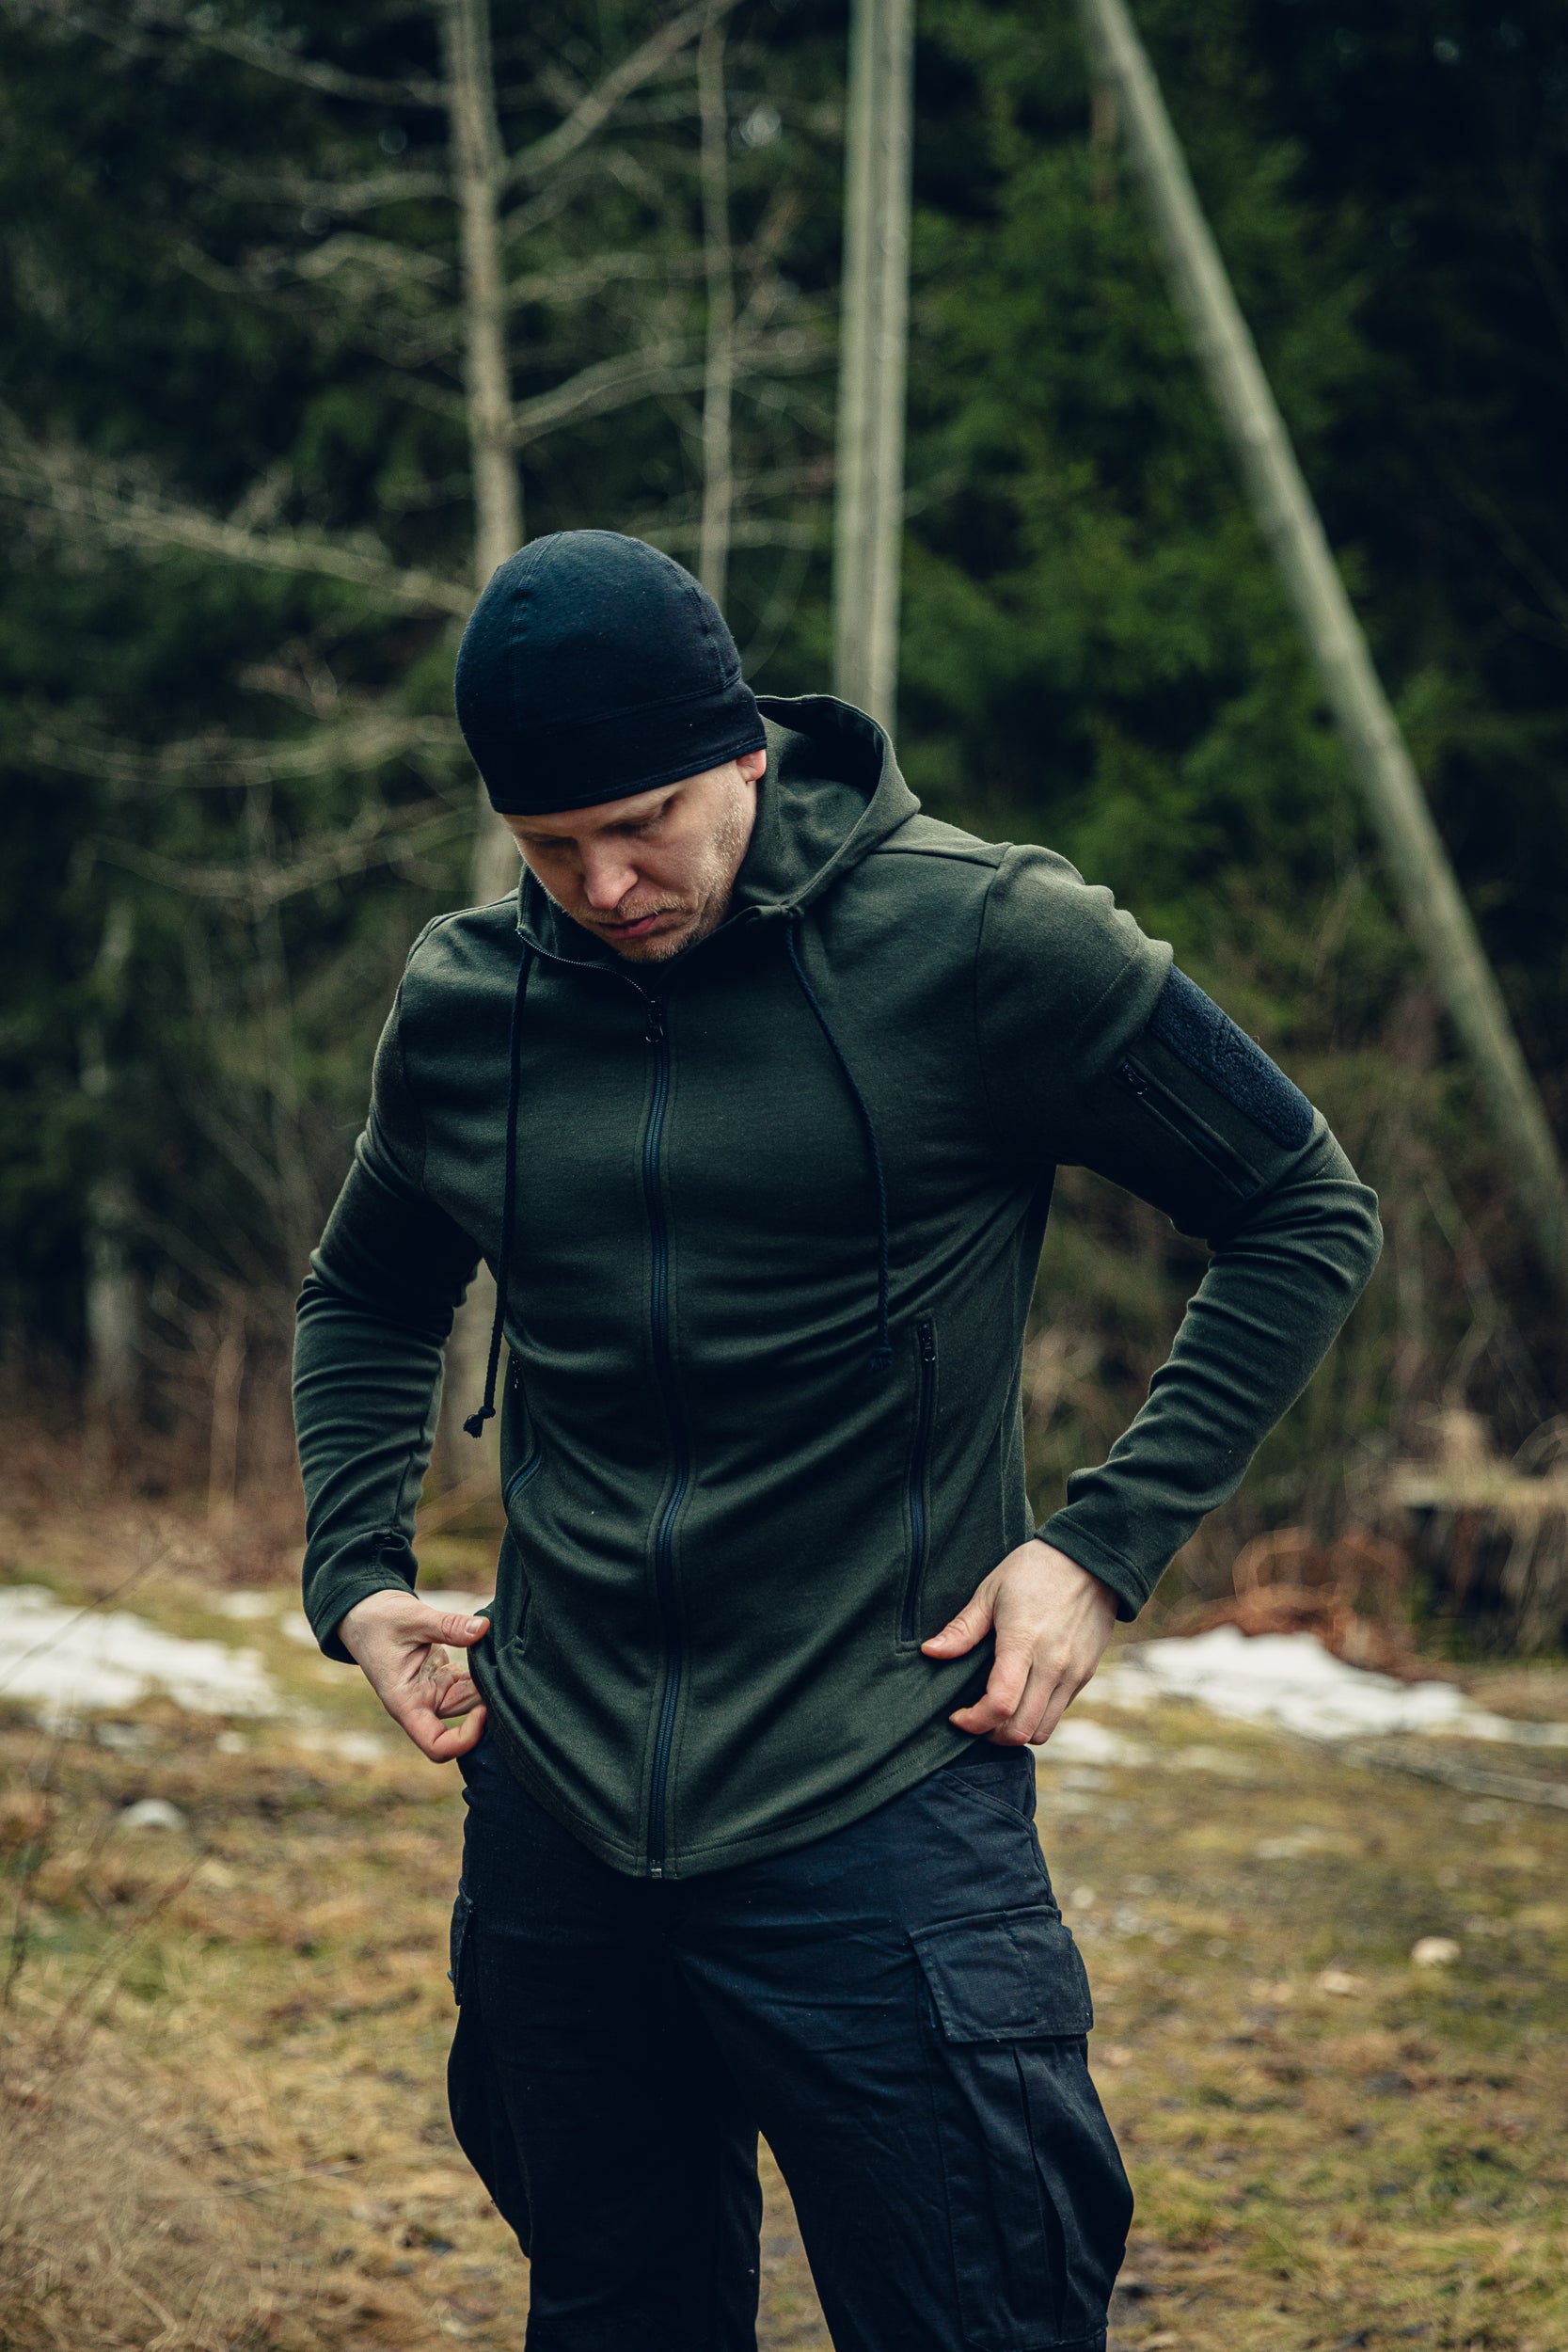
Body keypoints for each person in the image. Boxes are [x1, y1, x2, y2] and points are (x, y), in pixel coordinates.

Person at [293, 530, 1381, 2352]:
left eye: (643, 822)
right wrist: (358, 1573)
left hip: (879, 1783)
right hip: (557, 1805)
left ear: (744, 754)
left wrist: (1102, 1544)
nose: (606, 883)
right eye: (550, 847)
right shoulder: (471, 1000)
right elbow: (367, 1292)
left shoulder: (984, 936)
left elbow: (1300, 1202)